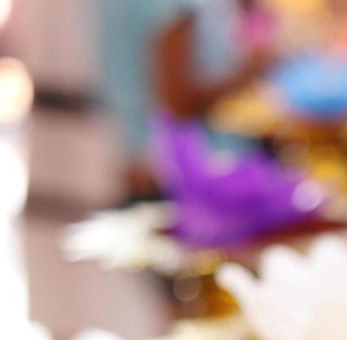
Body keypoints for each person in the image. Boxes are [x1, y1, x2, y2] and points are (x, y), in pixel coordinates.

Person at [98, 0, 274, 200]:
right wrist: (252, 71)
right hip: (187, 177)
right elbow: (178, 103)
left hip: (142, 162)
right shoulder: (174, 8)